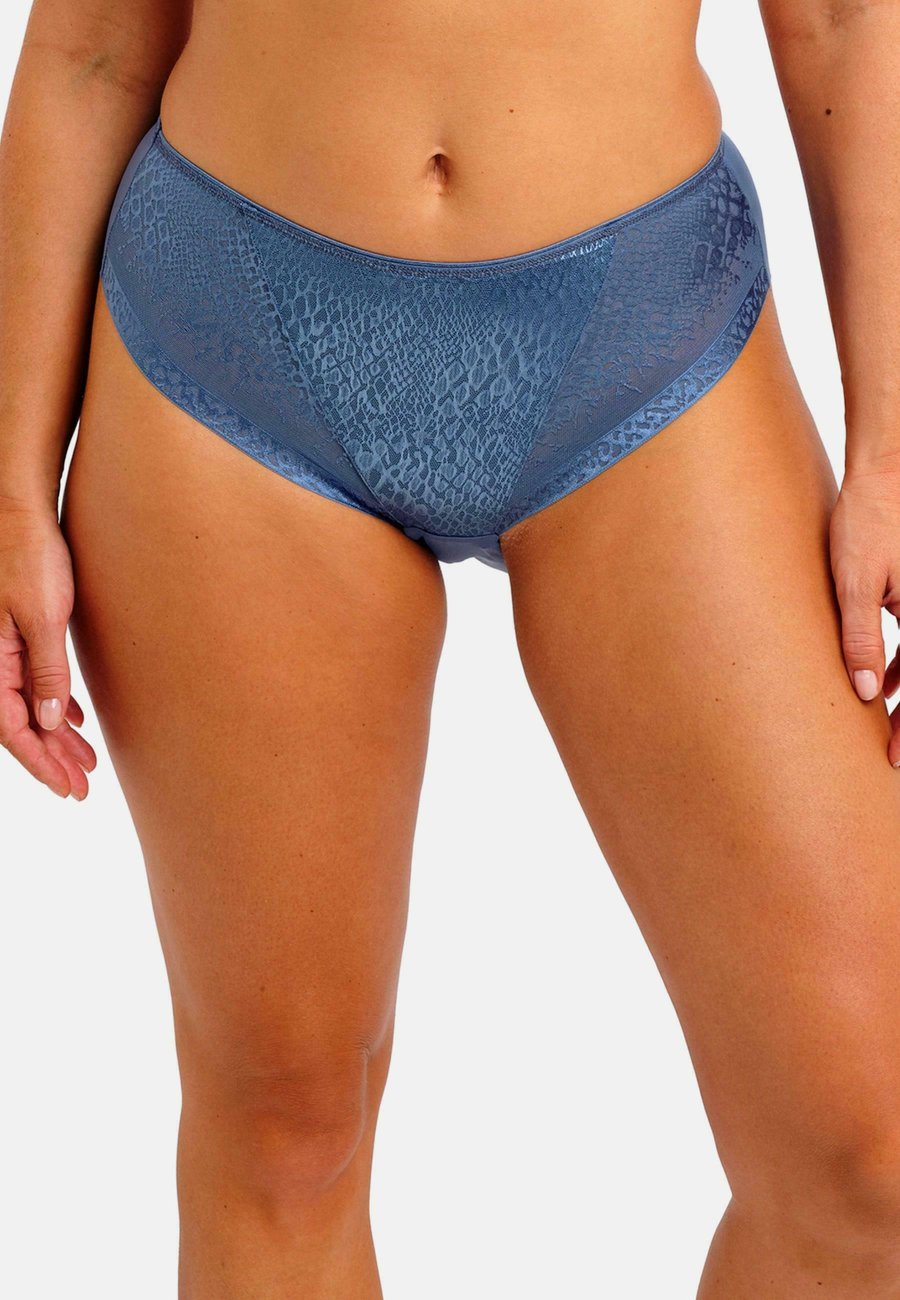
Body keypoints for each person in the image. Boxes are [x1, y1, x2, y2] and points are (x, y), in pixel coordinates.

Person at [2, 0, 900, 1295]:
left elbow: (844, 19)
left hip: (645, 323)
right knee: (283, 1131)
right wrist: (8, 484)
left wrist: (889, 453)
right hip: (233, 328)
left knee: (866, 1159)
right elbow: (92, 46)